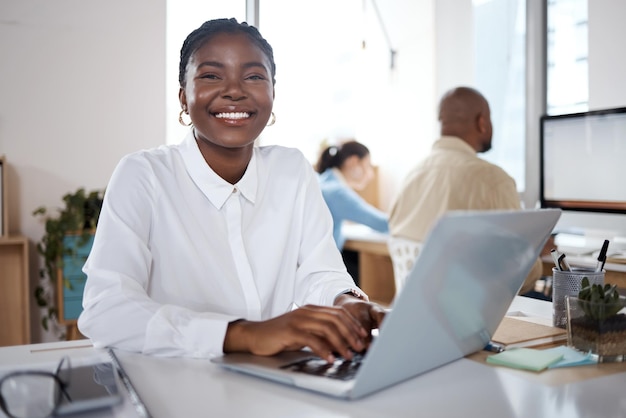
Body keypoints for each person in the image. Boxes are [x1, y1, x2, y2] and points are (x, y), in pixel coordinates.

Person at [77, 18, 385, 363]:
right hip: (172, 378)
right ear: (183, 96)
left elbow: (319, 272)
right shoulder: (143, 175)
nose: (235, 90)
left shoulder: (292, 170)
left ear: (271, 93)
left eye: (253, 76)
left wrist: (349, 303)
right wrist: (241, 333)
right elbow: (107, 309)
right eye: (211, 75)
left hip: (270, 377)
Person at [388, 86, 543, 295]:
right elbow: (522, 273)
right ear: (482, 122)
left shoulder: (411, 176)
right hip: (471, 316)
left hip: (423, 313)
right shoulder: (493, 180)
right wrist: (537, 249)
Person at [315, 141, 389, 283]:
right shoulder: (338, 192)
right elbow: (382, 223)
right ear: (354, 162)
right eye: (367, 166)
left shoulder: (322, 182)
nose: (371, 175)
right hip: (324, 271)